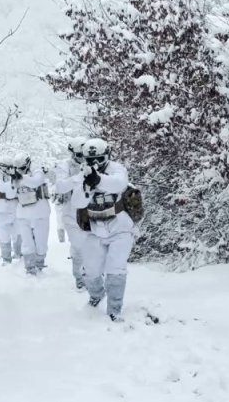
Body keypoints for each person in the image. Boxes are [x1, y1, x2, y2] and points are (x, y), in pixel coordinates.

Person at [72, 138, 135, 321]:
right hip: (94, 228)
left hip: (120, 227)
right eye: (90, 160)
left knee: (116, 267)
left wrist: (98, 179)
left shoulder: (117, 169)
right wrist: (86, 186)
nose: (94, 163)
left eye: (99, 159)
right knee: (91, 270)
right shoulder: (82, 174)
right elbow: (77, 202)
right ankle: (96, 296)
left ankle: (114, 309)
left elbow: (119, 184)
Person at [54, 137, 88, 290]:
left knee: (95, 246)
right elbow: (60, 186)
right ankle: (80, 280)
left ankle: (95, 277)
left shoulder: (94, 163)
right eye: (80, 155)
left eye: (85, 154)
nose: (83, 158)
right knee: (79, 246)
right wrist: (79, 177)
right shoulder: (65, 166)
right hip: (72, 213)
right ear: (73, 153)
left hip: (94, 212)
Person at [10, 153, 51, 275]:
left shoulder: (37, 172)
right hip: (23, 214)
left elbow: (36, 182)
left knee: (41, 242)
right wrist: (14, 179)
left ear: (28, 164)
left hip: (40, 213)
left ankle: (39, 265)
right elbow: (12, 192)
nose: (20, 171)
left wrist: (21, 178)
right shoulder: (16, 177)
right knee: (27, 243)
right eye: (17, 169)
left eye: (22, 168)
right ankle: (29, 268)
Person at [0, 156, 22, 265]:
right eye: (9, 167)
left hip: (15, 209)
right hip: (0, 211)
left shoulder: (15, 175)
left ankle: (18, 254)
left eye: (12, 167)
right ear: (2, 167)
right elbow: (2, 188)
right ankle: (6, 259)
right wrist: (13, 180)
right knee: (3, 235)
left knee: (19, 232)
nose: (11, 169)